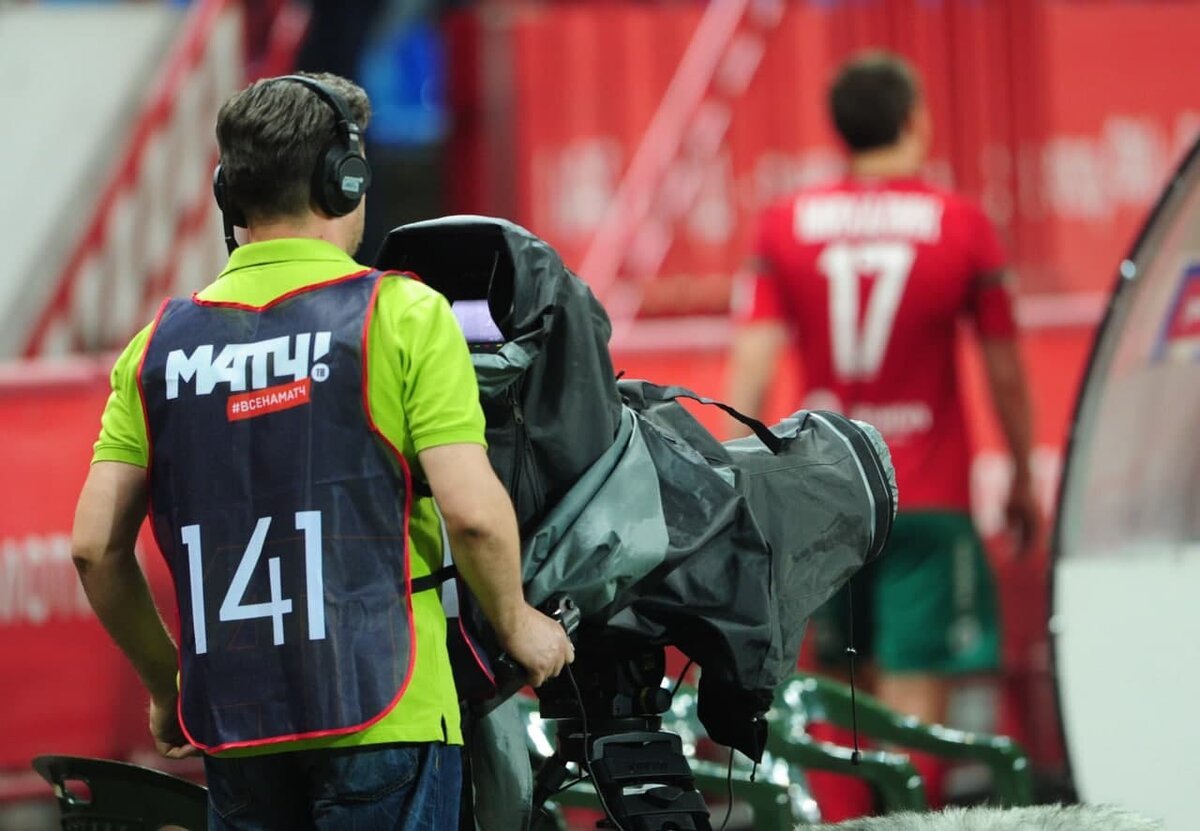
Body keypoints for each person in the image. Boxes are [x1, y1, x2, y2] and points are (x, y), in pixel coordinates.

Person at [70, 71, 573, 830]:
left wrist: (167, 681)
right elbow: (471, 514)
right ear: (346, 180)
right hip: (386, 709)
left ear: (228, 193)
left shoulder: (154, 351)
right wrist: (516, 621)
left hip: (236, 725)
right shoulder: (403, 316)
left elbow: (93, 547)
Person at [727, 51, 1039, 810]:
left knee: (838, 686)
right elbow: (1004, 369)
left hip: (826, 493)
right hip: (926, 496)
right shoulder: (960, 224)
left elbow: (753, 366)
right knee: (913, 690)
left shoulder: (786, 225)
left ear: (841, 129)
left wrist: (731, 482)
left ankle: (840, 823)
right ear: (913, 119)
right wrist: (1024, 473)